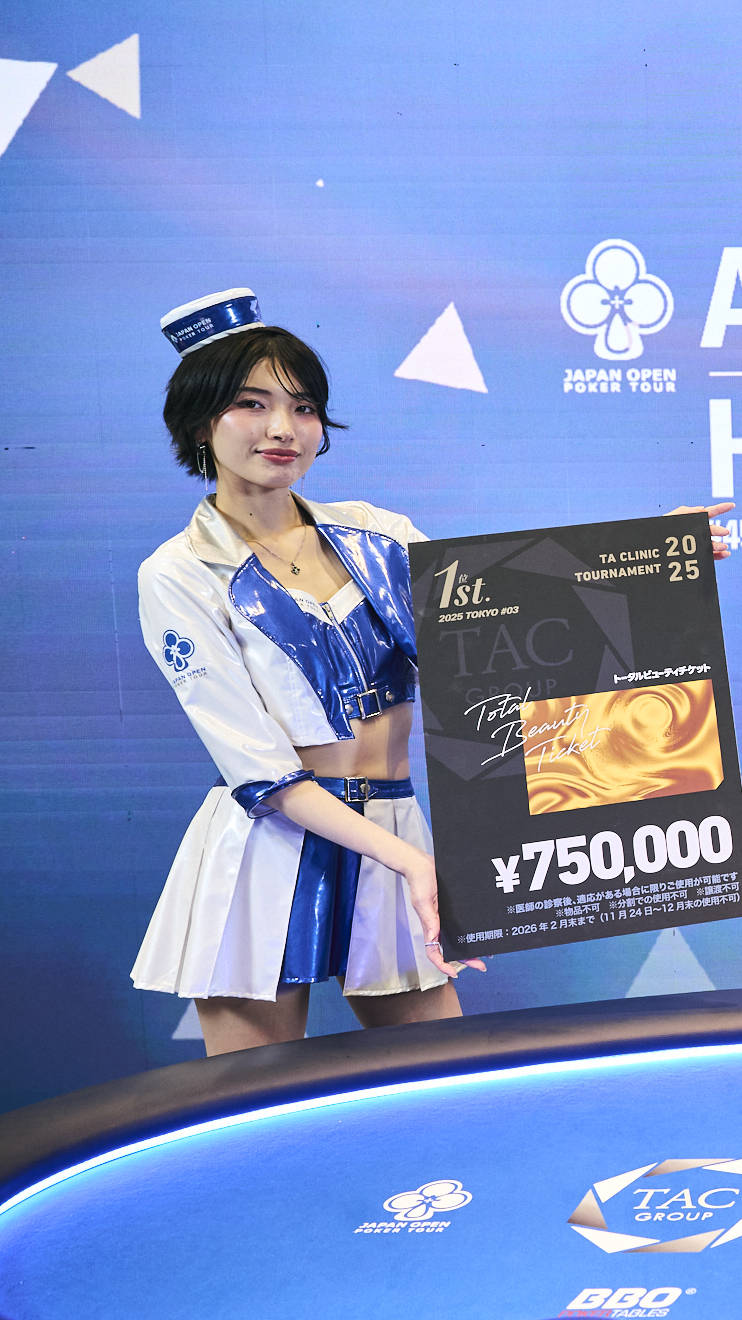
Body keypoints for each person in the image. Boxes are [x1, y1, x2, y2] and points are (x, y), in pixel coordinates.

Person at [133, 289, 483, 1054]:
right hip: (265, 848)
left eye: (303, 406)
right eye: (251, 404)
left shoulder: (378, 534)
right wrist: (410, 860)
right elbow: (261, 771)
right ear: (199, 423)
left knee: (439, 1078)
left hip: (392, 826)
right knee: (254, 1102)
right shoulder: (179, 573)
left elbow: (499, 618)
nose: (282, 428)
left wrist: (644, 559)